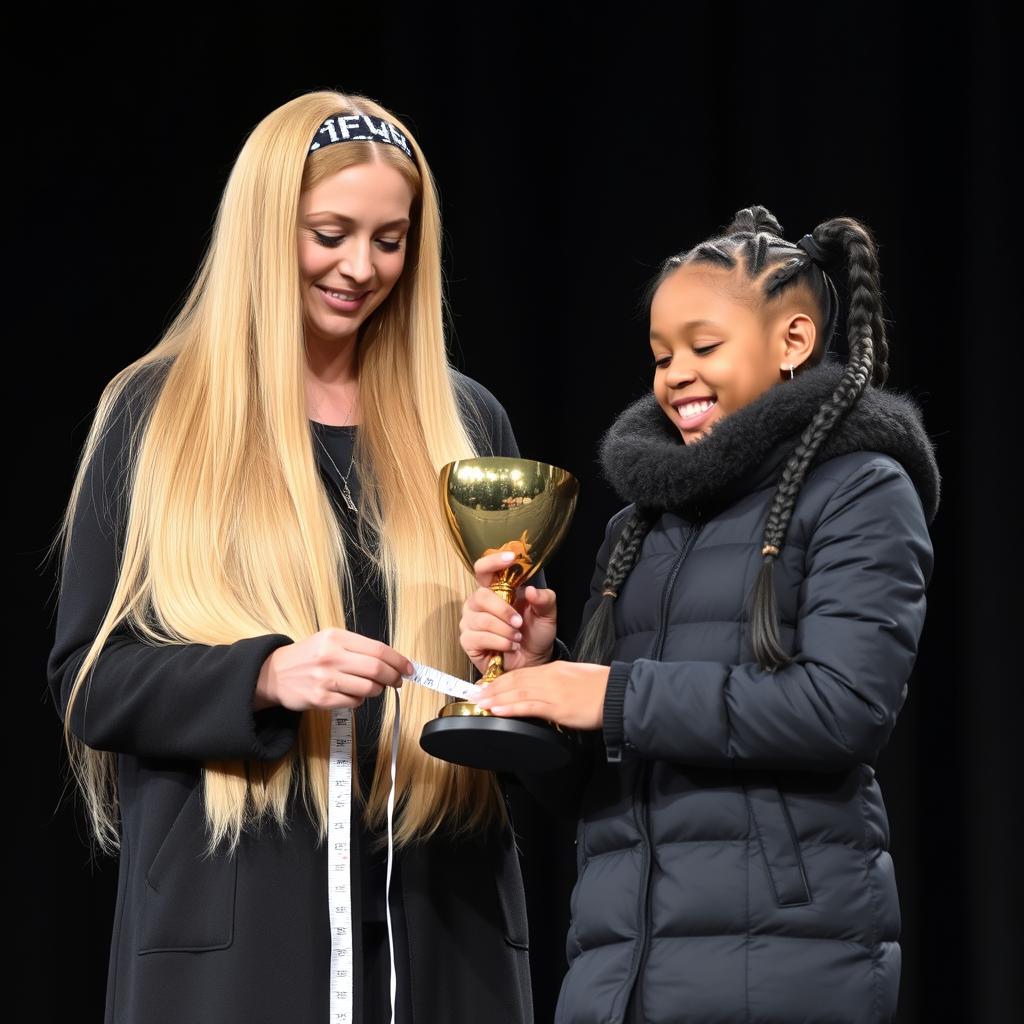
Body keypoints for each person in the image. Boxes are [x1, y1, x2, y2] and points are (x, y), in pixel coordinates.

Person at [47, 90, 537, 1024]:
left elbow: (510, 702)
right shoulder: (155, 415)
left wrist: (524, 657)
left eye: (390, 241)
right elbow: (90, 683)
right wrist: (264, 676)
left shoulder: (468, 422)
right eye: (330, 232)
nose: (362, 267)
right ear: (268, 228)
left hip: (443, 923)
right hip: (236, 933)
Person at [459, 206, 940, 1023]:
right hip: (617, 980)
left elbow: (843, 709)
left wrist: (608, 694)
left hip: (786, 972)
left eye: (704, 347)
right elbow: (591, 788)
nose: (675, 373)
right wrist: (536, 676)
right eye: (660, 355)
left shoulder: (861, 490)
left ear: (792, 342)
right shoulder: (637, 526)